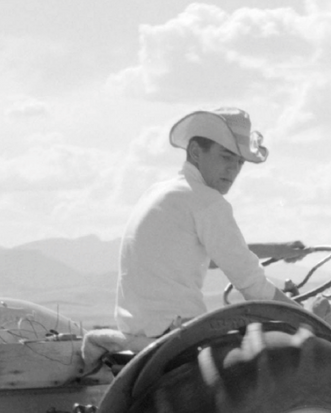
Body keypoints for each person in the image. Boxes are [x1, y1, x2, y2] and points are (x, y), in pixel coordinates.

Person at [81, 108, 288, 368]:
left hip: (138, 328)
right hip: (175, 333)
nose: (233, 169)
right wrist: (311, 322)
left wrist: (279, 249)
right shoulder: (207, 202)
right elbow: (254, 287)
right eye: (226, 156)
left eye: (239, 162)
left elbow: (210, 257)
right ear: (195, 152)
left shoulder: (162, 193)